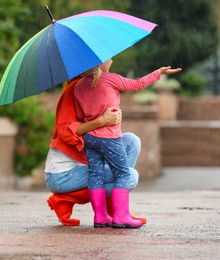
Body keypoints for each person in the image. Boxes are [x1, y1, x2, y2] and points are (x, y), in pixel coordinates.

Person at [74, 59, 182, 228]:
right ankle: (121, 216)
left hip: (90, 138)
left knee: (96, 176)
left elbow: (80, 116)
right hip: (109, 137)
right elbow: (137, 84)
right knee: (122, 174)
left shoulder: (78, 87)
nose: (112, 60)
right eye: (109, 57)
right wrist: (158, 73)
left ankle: (100, 217)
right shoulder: (110, 79)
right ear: (101, 62)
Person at [45, 75, 145, 227]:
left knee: (131, 141)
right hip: (62, 174)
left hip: (81, 166)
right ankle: (65, 199)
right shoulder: (75, 89)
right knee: (130, 176)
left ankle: (117, 208)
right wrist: (102, 121)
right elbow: (64, 130)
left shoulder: (97, 85)